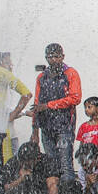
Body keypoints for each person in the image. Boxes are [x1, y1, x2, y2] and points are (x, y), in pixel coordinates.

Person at [28, 43, 81, 183]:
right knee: (51, 165)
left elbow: (75, 98)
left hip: (64, 127)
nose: (54, 60)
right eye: (50, 57)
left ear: (63, 56)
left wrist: (50, 105)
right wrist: (35, 130)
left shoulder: (70, 73)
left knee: (65, 165)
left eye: (57, 56)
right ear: (46, 58)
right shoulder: (41, 77)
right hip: (46, 128)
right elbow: (37, 105)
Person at [0, 140, 70, 194]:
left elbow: (52, 182)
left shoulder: (46, 162)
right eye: (23, 161)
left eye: (28, 161)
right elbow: (1, 188)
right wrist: (20, 179)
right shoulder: (13, 163)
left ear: (37, 158)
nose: (24, 163)